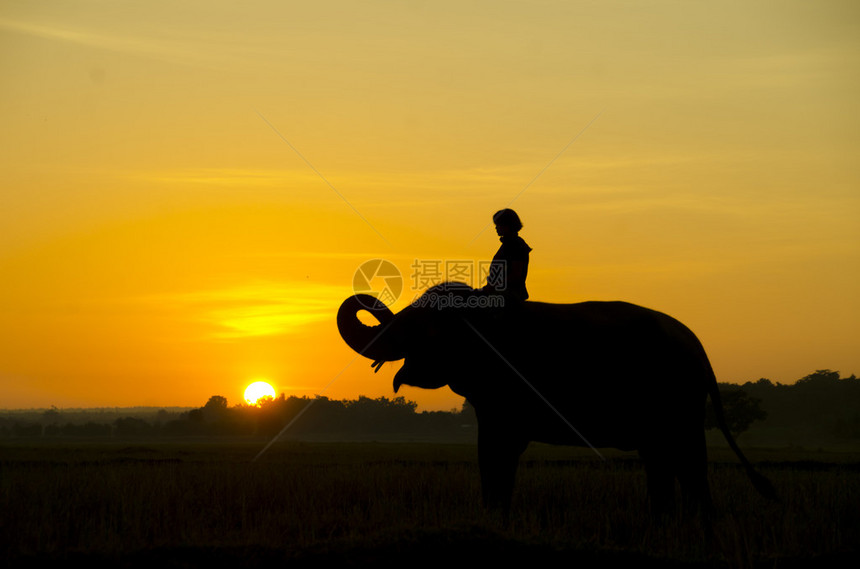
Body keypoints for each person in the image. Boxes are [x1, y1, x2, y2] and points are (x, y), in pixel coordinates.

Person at [482, 208, 531, 304]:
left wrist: (492, 286)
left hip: (509, 294)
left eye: (498, 225)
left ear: (507, 225)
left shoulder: (516, 245)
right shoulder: (508, 244)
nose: (496, 228)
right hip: (501, 291)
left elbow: (516, 274)